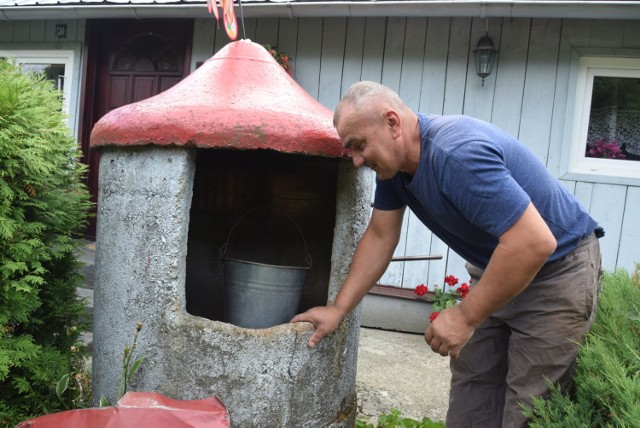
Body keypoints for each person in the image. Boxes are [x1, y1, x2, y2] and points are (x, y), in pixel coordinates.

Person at [291, 81, 603, 427]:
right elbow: (380, 235)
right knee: (473, 402)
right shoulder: (394, 171)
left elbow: (533, 243)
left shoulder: (456, 154)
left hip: (556, 273)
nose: (356, 160)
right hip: (500, 267)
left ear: (393, 123)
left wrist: (466, 316)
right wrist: (339, 308)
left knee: (529, 412)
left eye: (358, 146)